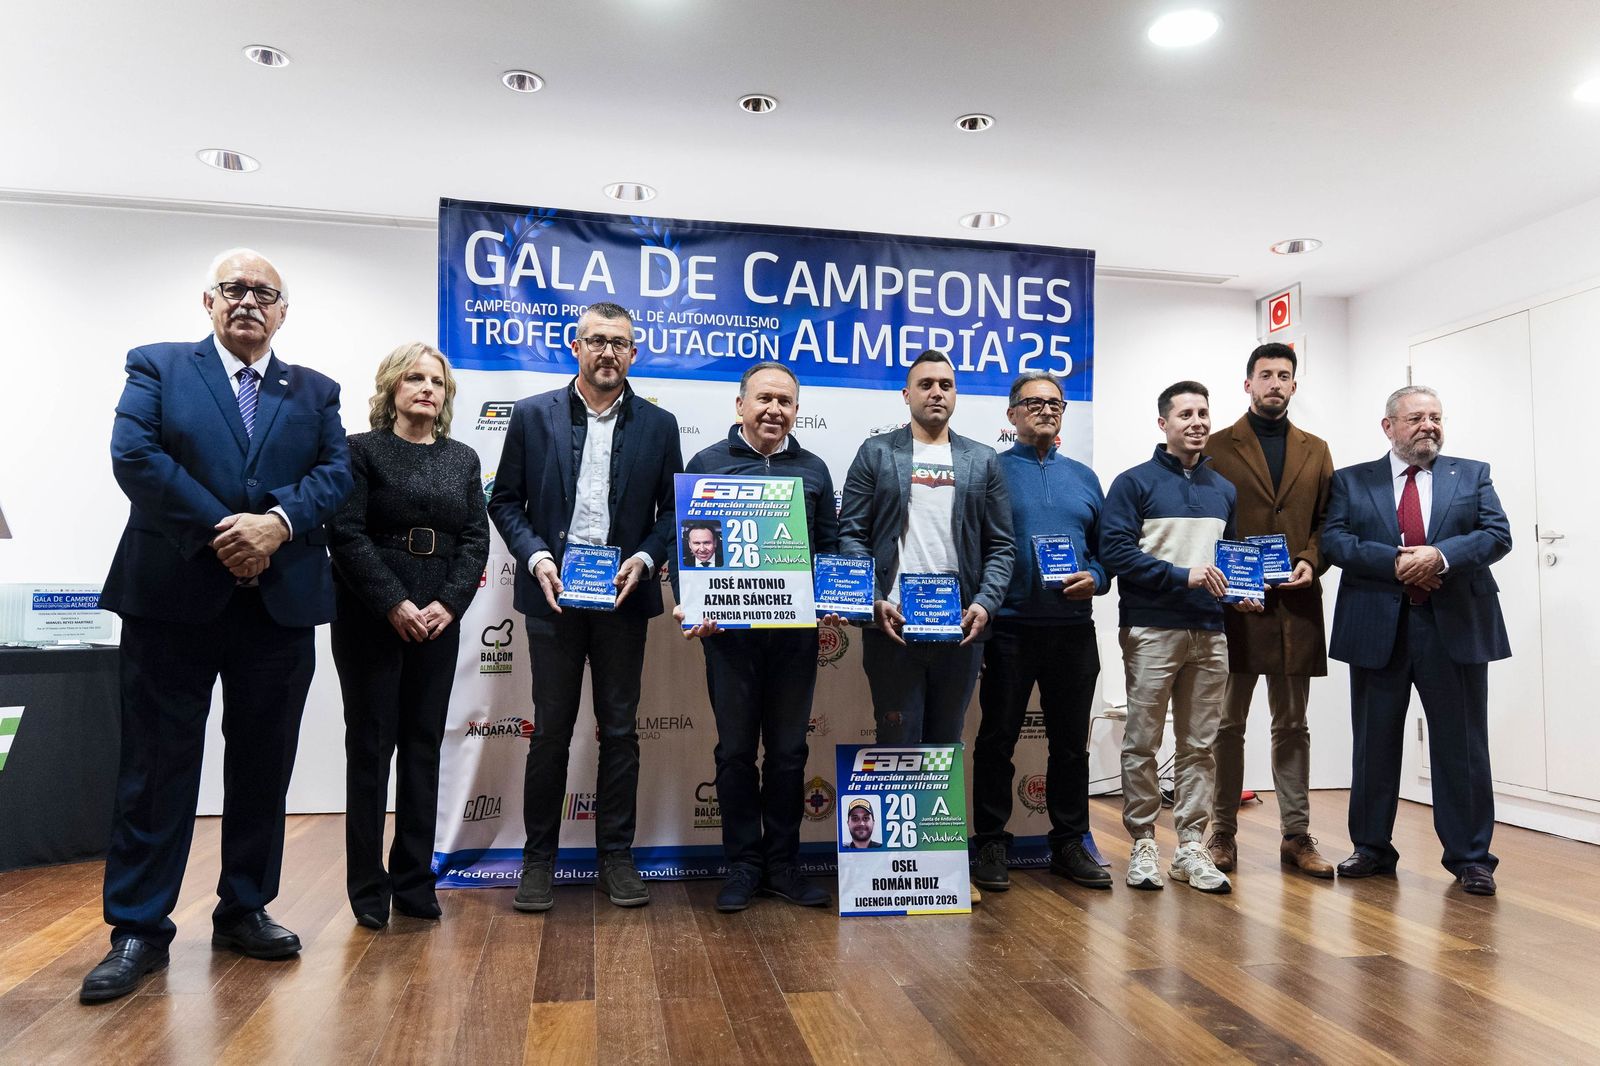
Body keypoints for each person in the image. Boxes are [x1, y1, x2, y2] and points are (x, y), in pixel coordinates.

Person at [84, 249, 352, 1003]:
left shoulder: (317, 391)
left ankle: (245, 907)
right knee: (156, 767)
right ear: (208, 301)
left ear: (283, 312)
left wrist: (277, 525)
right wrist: (229, 532)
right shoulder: (159, 367)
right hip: (172, 597)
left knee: (264, 765)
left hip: (279, 604)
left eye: (264, 293)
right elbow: (133, 457)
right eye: (234, 289)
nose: (248, 301)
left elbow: (334, 476)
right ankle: (138, 927)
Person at [488, 301, 682, 912]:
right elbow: (506, 502)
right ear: (576, 346)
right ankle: (538, 860)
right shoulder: (531, 415)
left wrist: (648, 559)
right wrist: (538, 557)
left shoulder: (659, 423)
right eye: (596, 341)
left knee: (620, 732)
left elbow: (674, 514)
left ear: (634, 351)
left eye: (619, 343)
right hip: (554, 598)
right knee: (550, 732)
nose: (608, 352)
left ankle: (616, 858)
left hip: (623, 600)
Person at [1322, 386, 1511, 895]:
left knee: (1462, 746)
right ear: (1389, 427)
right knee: (1374, 742)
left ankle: (1472, 858)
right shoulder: (1350, 480)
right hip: (1378, 627)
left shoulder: (1471, 474)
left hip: (1454, 628)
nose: (1428, 425)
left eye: (1435, 417)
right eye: (1416, 418)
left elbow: (1497, 534)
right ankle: (1372, 848)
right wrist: (1399, 564)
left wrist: (1440, 557)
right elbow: (1335, 540)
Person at [327, 343, 489, 930]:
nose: (427, 388)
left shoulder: (463, 458)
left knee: (423, 748)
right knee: (370, 751)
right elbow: (344, 533)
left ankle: (415, 882)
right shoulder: (359, 450)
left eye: (437, 381)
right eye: (415, 378)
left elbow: (476, 539)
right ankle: (367, 887)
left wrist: (448, 603)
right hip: (371, 615)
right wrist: (394, 601)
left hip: (439, 620)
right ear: (392, 387)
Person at [674, 364, 838, 912]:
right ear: (740, 403)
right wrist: (693, 602)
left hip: (795, 638)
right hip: (731, 638)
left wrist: (837, 597)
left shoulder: (813, 470)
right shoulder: (706, 465)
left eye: (786, 402)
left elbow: (831, 549)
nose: (775, 410)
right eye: (764, 398)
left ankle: (783, 865)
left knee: (790, 754)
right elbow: (688, 548)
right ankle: (743, 865)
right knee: (736, 753)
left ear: (797, 410)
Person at [1101, 380, 1259, 894]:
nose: (1197, 422)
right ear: (1163, 423)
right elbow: (1116, 554)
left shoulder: (1223, 489)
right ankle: (1143, 841)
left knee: (1200, 745)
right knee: (1142, 741)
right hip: (1151, 629)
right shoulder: (1133, 483)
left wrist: (1241, 592)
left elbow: (1228, 562)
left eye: (1203, 413)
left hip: (1210, 631)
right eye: (1185, 414)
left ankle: (1190, 846)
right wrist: (1182, 574)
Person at [971, 372, 1112, 893]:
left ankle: (1070, 842)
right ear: (1011, 415)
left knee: (1071, 745)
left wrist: (1095, 577)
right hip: (1007, 629)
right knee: (996, 741)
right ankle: (989, 840)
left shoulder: (1084, 477)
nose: (1046, 410)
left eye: (1055, 403)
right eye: (1033, 402)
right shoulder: (989, 469)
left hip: (1073, 630)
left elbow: (1106, 553)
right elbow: (976, 545)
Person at [1202, 343, 1336, 879]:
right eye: (1265, 375)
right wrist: (1234, 581)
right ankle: (1221, 833)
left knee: (1293, 725)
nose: (1275, 383)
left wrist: (1311, 559)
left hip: (1295, 607)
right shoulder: (1215, 446)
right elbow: (1206, 524)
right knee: (1227, 723)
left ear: (1294, 386)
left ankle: (1296, 836)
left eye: (1284, 376)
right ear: (1248, 384)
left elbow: (1331, 521)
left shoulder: (1317, 449)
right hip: (1237, 606)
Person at [837, 350, 1014, 745]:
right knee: (897, 745)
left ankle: (939, 811)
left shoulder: (982, 459)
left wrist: (985, 603)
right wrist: (873, 598)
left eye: (946, 385)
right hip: (893, 625)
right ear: (906, 394)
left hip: (961, 628)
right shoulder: (877, 452)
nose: (937, 392)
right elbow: (850, 533)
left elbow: (1002, 544)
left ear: (955, 395)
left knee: (945, 746)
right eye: (926, 384)